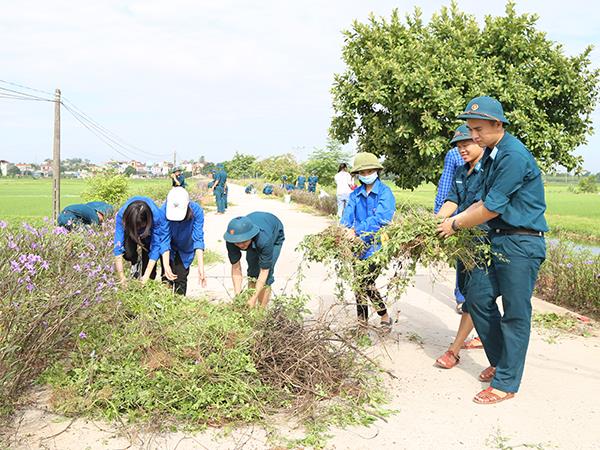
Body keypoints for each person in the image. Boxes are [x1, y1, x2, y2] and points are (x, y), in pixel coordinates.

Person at [438, 96, 547, 404]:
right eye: (471, 129)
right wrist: (443, 220)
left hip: (521, 242)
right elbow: (476, 201)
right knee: (477, 296)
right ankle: (500, 361)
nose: (473, 136)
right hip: (497, 240)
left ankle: (506, 382)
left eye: (478, 129)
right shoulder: (489, 156)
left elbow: (489, 208)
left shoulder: (512, 156)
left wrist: (455, 225)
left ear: (498, 124)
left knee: (515, 313)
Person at [434, 125, 485, 370]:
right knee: (470, 295)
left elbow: (478, 206)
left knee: (476, 298)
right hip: (464, 243)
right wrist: (433, 223)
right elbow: (452, 200)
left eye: (466, 144)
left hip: (485, 243)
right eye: (458, 146)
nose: (461, 149)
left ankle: (454, 350)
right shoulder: (460, 171)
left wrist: (453, 223)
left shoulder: (489, 171)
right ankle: (484, 338)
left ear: (480, 141)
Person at [341, 152, 395, 328]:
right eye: (362, 173)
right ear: (357, 175)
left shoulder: (385, 193)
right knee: (359, 283)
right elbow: (347, 216)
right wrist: (343, 229)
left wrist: (356, 230)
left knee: (366, 282)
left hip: (378, 246)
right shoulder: (354, 195)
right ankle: (362, 321)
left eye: (369, 171)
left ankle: (384, 315)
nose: (366, 175)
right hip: (358, 246)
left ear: (376, 171)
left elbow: (382, 219)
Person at [224, 212, 285, 308]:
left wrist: (254, 298)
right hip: (253, 235)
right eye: (237, 243)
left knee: (267, 276)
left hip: (274, 234)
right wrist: (237, 296)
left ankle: (261, 311)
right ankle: (249, 308)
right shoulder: (231, 240)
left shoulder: (264, 240)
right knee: (253, 272)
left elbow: (264, 270)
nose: (240, 246)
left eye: (243, 242)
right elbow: (236, 268)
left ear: (251, 236)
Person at [113, 196, 175, 284]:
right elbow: (117, 247)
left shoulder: (156, 217)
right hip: (130, 226)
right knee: (128, 254)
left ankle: (149, 279)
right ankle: (135, 261)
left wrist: (146, 275)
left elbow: (156, 246)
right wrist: (122, 277)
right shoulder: (122, 216)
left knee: (148, 258)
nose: (138, 231)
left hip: (148, 231)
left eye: (140, 227)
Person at [434, 145, 466, 313]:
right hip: (458, 215)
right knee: (462, 253)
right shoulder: (454, 156)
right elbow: (447, 188)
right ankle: (462, 297)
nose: (463, 149)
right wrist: (438, 219)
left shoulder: (490, 155)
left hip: (479, 215)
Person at [161, 187, 207, 295]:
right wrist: (166, 265)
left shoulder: (196, 211)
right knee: (166, 277)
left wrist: (201, 267)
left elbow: (198, 238)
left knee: (181, 278)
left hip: (186, 247)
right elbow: (164, 239)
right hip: (169, 248)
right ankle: (165, 305)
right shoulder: (163, 211)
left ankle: (179, 304)